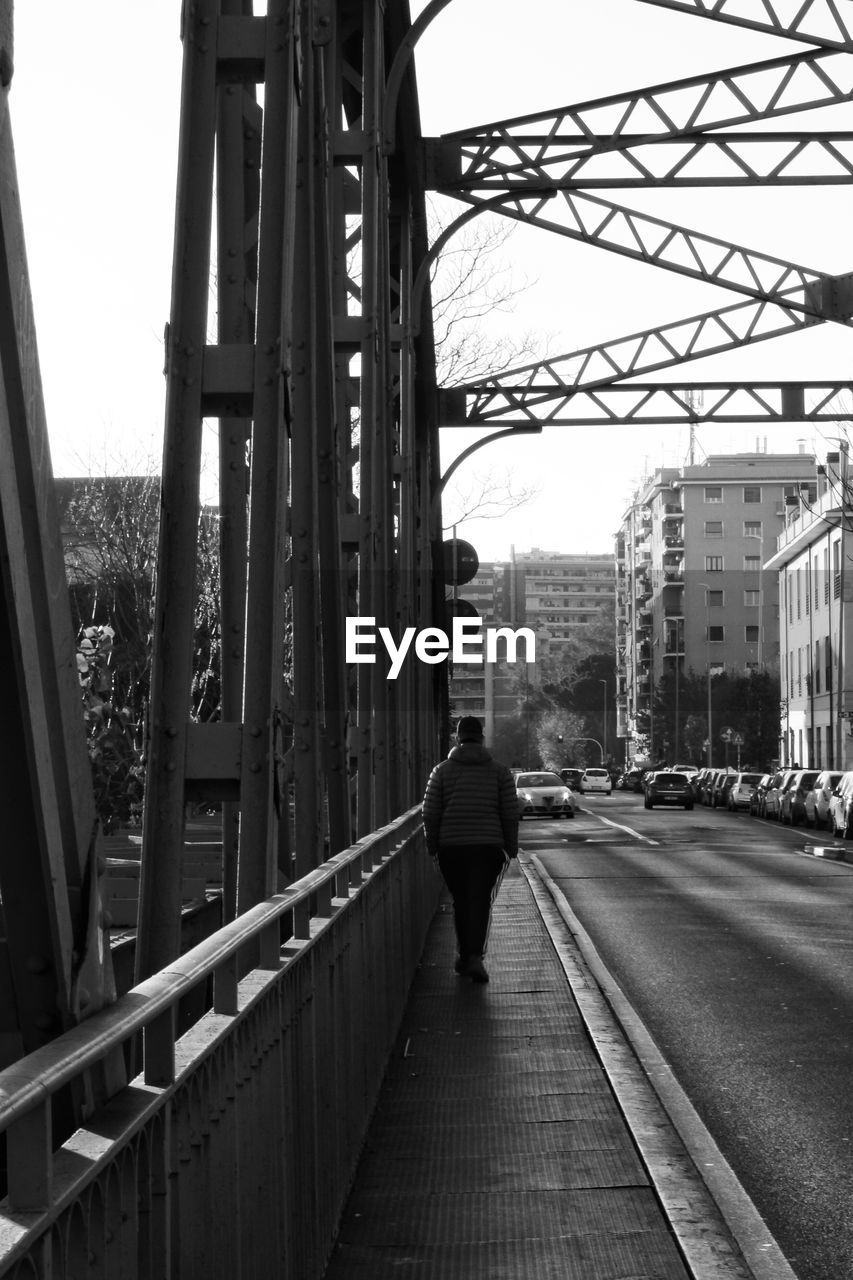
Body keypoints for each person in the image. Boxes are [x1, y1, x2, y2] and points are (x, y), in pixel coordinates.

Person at [422, 715, 519, 983]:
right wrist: (511, 847)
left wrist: (433, 846)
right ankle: (474, 956)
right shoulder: (500, 772)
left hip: (452, 848)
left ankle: (465, 956)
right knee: (480, 900)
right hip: (488, 848)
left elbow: (430, 813)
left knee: (461, 901)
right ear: (481, 738)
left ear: (458, 738)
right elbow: (510, 813)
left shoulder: (440, 771)